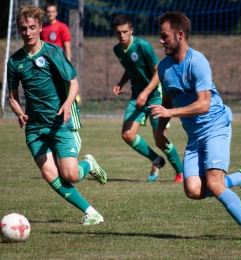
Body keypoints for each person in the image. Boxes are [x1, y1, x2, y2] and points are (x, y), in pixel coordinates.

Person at [149, 11, 241, 242]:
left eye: (164, 36)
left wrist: (170, 113)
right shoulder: (163, 68)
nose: (161, 41)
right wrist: (160, 130)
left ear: (180, 35)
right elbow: (167, 101)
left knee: (214, 184)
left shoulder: (197, 62)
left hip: (216, 127)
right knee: (193, 190)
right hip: (194, 136)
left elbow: (203, 104)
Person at [7, 3, 106, 225]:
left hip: (59, 122)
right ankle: (92, 213)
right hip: (34, 128)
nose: (28, 32)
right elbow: (12, 96)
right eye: (23, 28)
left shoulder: (53, 52)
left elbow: (73, 83)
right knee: (51, 174)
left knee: (70, 175)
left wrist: (68, 104)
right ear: (19, 29)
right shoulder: (14, 61)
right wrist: (19, 113)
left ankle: (89, 165)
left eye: (32, 27)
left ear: (40, 26)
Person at [112, 14, 183, 183]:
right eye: (118, 33)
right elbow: (130, 68)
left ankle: (181, 172)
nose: (121, 36)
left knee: (160, 140)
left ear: (131, 30)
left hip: (154, 96)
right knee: (127, 135)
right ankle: (156, 160)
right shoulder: (118, 50)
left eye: (124, 32)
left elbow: (159, 71)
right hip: (137, 96)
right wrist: (121, 83)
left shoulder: (143, 46)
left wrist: (146, 93)